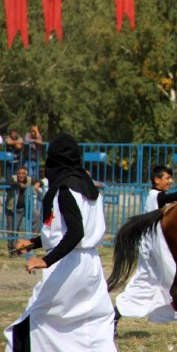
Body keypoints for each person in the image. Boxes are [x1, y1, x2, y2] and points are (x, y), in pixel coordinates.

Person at [4, 134, 116, 351]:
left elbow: (75, 233)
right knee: (87, 323)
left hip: (68, 265)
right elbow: (62, 231)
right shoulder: (88, 187)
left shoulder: (65, 189)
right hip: (90, 265)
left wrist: (45, 260)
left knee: (34, 319)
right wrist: (32, 243)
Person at [114, 165, 177, 336]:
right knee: (175, 278)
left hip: (157, 248)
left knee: (160, 282)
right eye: (167, 178)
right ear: (157, 180)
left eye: (171, 178)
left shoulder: (159, 197)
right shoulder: (154, 195)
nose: (171, 181)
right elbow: (171, 197)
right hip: (154, 250)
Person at [4, 166, 32, 253]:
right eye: (19, 173)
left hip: (21, 209)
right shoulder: (13, 178)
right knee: (10, 229)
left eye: (23, 173)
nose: (21, 175)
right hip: (10, 208)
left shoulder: (29, 180)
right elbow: (8, 182)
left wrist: (39, 183)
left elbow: (39, 182)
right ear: (17, 174)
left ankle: (15, 249)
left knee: (15, 229)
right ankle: (10, 249)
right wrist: (19, 185)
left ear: (26, 174)